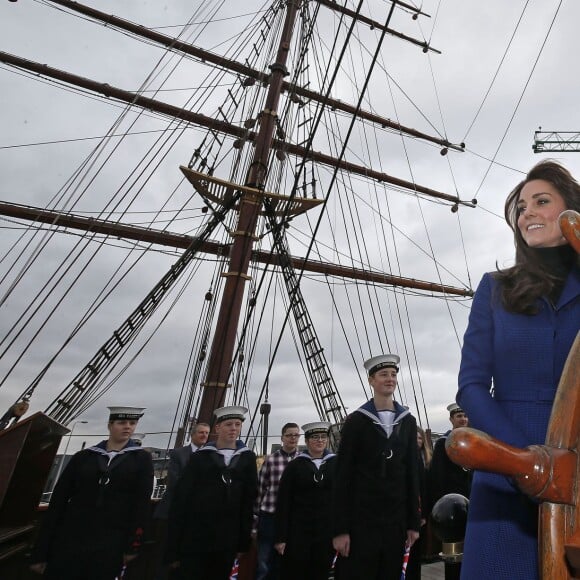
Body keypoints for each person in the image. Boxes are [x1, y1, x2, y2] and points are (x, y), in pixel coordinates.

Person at [457, 159, 580, 580]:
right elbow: (471, 386)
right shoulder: (494, 288)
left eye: (541, 201)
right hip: (503, 474)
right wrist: (525, 460)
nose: (527, 213)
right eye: (521, 207)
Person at [29, 406, 154, 580]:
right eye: (122, 422)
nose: (128, 427)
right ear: (110, 425)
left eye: (132, 423)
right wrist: (41, 551)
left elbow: (141, 505)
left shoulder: (141, 460)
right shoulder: (83, 458)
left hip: (112, 539)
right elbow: (58, 501)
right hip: (72, 536)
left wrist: (133, 546)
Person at [332, 353, 421, 580]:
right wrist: (340, 530)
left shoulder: (407, 422)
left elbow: (413, 475)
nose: (389, 379)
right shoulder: (356, 422)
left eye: (393, 374)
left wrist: (413, 524)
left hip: (395, 522)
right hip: (361, 523)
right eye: (383, 375)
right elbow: (343, 477)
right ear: (371, 381)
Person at [166, 405, 258, 579]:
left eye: (237, 424)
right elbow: (182, 500)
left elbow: (248, 502)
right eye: (229, 424)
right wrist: (174, 546)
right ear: (217, 428)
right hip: (197, 536)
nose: (233, 428)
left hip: (227, 538)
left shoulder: (247, 458)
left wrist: (242, 543)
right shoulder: (200, 458)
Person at [274, 421, 337, 580]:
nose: (320, 440)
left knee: (322, 572)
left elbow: (342, 499)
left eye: (323, 437)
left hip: (326, 532)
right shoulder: (295, 466)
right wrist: (281, 537)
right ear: (307, 441)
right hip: (299, 533)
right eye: (315, 437)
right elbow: (283, 502)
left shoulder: (335, 464)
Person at [153, 422, 210, 579]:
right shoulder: (179, 454)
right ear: (192, 435)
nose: (204, 436)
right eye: (201, 433)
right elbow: (174, 481)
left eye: (206, 433)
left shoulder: (210, 456)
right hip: (172, 511)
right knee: (165, 553)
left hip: (195, 515)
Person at [253, 422, 300, 580]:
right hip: (270, 516)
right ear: (282, 438)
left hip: (293, 518)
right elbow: (260, 489)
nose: (293, 438)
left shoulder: (302, 461)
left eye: (296, 435)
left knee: (287, 562)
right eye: (289, 435)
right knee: (264, 562)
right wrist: (255, 522)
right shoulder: (271, 460)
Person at [429, 403, 471, 507]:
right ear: (451, 419)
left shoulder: (473, 441)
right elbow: (437, 475)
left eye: (465, 416)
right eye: (459, 416)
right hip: (452, 497)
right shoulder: (442, 443)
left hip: (471, 494)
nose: (463, 419)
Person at [406, 426, 433, 580]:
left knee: (416, 553)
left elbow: (425, 488)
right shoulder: (411, 460)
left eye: (420, 438)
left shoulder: (424, 460)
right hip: (410, 511)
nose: (418, 441)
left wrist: (424, 513)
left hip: (421, 510)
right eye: (414, 438)